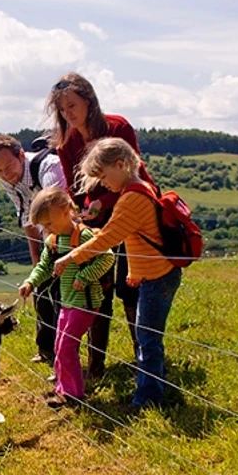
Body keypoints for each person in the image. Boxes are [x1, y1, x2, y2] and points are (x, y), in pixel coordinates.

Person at [54, 137, 180, 411]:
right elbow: (131, 236)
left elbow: (109, 239)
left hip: (157, 278)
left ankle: (148, 398)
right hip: (153, 275)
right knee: (147, 335)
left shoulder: (132, 198)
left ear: (121, 164)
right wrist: (134, 273)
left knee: (147, 338)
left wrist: (71, 255)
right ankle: (153, 387)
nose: (102, 184)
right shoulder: (137, 190)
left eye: (103, 175)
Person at [45, 72, 154, 379]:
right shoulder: (67, 143)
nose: (68, 113)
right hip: (95, 221)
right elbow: (75, 187)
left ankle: (143, 360)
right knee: (96, 287)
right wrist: (78, 212)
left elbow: (132, 172)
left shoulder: (117, 127)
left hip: (132, 213)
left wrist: (101, 204)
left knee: (131, 286)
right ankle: (96, 365)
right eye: (62, 108)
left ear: (88, 100)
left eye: (72, 105)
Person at [18, 187, 115, 408]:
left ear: (65, 211)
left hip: (85, 302)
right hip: (67, 301)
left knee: (66, 347)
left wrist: (85, 275)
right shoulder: (54, 240)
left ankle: (74, 395)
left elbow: (107, 257)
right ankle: (62, 388)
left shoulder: (83, 236)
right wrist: (31, 282)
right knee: (59, 344)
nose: (47, 229)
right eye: (44, 226)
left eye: (50, 223)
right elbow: (44, 265)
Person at [0, 133, 67, 364]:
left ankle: (66, 354)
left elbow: (55, 211)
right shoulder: (7, 178)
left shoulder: (49, 168)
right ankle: (46, 350)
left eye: (9, 165)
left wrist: (50, 258)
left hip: (70, 232)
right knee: (41, 288)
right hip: (46, 233)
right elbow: (27, 217)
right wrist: (36, 263)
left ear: (21, 155)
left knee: (63, 295)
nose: (6, 174)